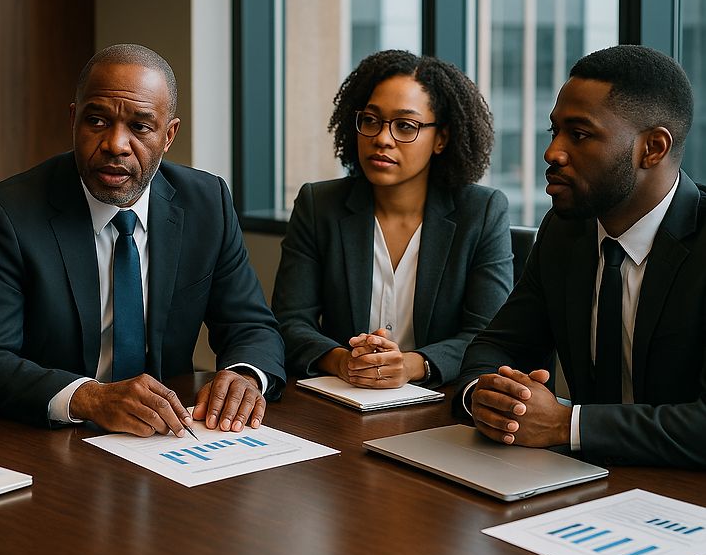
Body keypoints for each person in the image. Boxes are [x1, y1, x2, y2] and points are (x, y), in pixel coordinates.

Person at [0, 44, 285, 436]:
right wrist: (89, 398)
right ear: (74, 119)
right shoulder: (6, 214)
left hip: (167, 438)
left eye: (141, 127)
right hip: (54, 437)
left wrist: (244, 376)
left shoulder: (206, 203)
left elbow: (252, 326)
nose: (115, 144)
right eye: (96, 121)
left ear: (169, 135)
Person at [456, 44, 706, 469]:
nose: (553, 152)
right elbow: (499, 346)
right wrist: (489, 399)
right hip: (576, 482)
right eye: (554, 131)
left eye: (580, 134)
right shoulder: (565, 230)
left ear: (653, 148)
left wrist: (565, 425)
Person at [272, 50, 512, 388]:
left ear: (441, 138)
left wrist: (411, 366)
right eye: (370, 120)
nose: (382, 138)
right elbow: (289, 322)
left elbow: (487, 334)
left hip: (438, 404)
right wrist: (344, 361)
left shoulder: (482, 212)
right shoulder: (319, 205)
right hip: (342, 396)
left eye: (405, 126)